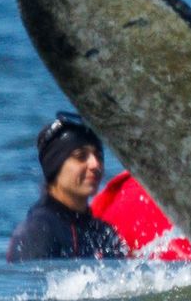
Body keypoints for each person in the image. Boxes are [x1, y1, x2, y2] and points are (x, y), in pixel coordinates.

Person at [7, 112, 127, 262]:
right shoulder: (38, 231)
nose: (95, 165)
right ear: (55, 166)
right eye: (81, 157)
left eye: (99, 156)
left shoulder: (103, 233)